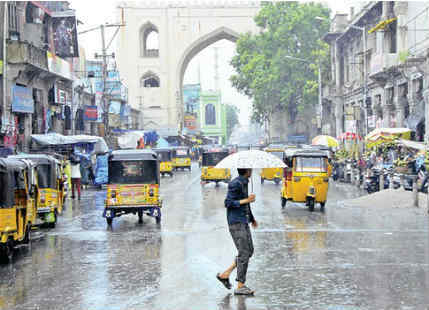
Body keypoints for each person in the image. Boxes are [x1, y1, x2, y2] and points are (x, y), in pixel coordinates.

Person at [216, 168, 258, 296]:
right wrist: (247, 200)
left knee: (249, 251)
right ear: (247, 170)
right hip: (236, 222)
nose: (252, 170)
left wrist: (252, 219)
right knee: (244, 252)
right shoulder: (235, 183)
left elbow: (246, 204)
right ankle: (240, 285)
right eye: (251, 169)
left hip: (243, 221)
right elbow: (228, 203)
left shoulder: (245, 182)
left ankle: (225, 274)